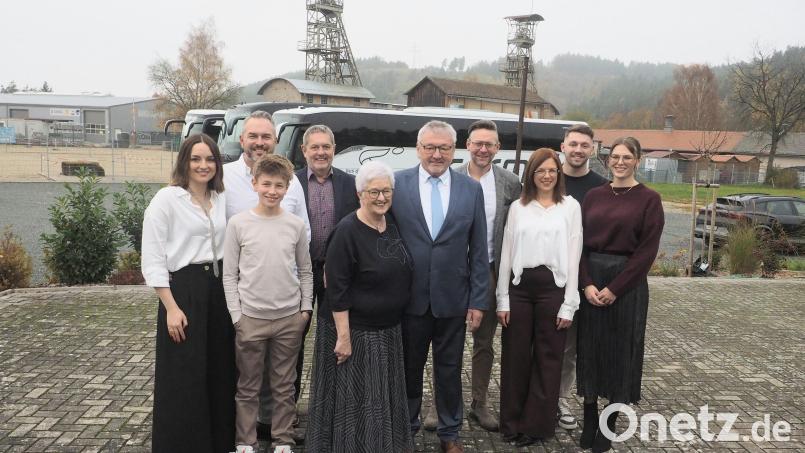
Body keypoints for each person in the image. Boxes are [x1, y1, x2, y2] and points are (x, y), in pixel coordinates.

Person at [391, 120, 489, 453]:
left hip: (453, 299)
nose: (436, 154)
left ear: (454, 150)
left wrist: (478, 301)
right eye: (430, 147)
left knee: (448, 371)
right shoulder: (397, 184)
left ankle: (450, 433)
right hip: (408, 299)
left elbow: (478, 250)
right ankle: (406, 428)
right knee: (408, 368)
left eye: (444, 148)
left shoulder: (470, 189)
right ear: (418, 149)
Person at [422, 120, 521, 433]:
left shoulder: (510, 182)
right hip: (449, 273)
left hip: (488, 270)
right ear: (467, 145)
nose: (483, 149)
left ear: (497, 148)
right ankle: (440, 405)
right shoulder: (449, 176)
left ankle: (479, 402)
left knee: (483, 342)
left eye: (489, 144)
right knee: (442, 342)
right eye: (478, 143)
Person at [307, 161, 413, 452]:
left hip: (387, 331)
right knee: (355, 403)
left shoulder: (389, 223)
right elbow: (336, 288)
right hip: (355, 332)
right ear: (360, 194)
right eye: (373, 192)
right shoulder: (346, 231)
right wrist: (343, 337)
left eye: (386, 191)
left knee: (380, 400)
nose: (381, 197)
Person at [141, 133, 235, 452]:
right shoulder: (166, 200)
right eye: (196, 158)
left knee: (220, 371)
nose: (203, 165)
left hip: (219, 290)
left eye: (209, 158)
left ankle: (218, 443)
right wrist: (171, 307)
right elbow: (152, 259)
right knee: (184, 375)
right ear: (184, 161)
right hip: (184, 292)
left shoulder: (220, 196)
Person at [222, 110, 310, 441]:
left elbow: (305, 261)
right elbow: (229, 272)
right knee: (247, 385)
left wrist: (304, 310)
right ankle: (246, 444)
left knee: (283, 385)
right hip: (250, 312)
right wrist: (237, 315)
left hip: (288, 313)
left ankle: (282, 442)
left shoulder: (293, 204)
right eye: (253, 136)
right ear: (242, 139)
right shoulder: (227, 181)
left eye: (266, 137)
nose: (272, 191)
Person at [576, 137, 664, 453]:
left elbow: (646, 252)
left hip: (627, 284)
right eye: (615, 156)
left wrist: (615, 289)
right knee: (590, 349)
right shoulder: (593, 196)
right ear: (608, 160)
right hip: (591, 279)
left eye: (627, 157)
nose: (621, 161)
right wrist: (586, 283)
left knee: (621, 354)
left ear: (637, 160)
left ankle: (608, 425)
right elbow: (579, 245)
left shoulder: (649, 200)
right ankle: (589, 417)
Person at [495, 148, 583, 446]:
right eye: (540, 171)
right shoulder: (519, 207)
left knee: (548, 359)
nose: (546, 176)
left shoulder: (570, 207)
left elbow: (574, 255)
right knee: (515, 358)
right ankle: (512, 424)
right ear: (530, 175)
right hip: (520, 290)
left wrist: (570, 304)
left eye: (552, 171)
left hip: (553, 291)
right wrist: (502, 299)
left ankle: (537, 426)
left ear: (558, 175)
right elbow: (506, 253)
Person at [294, 125, 360, 404]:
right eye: (315, 147)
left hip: (338, 277)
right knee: (293, 342)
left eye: (326, 146)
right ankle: (287, 407)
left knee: (338, 337)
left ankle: (337, 404)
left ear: (334, 149)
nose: (321, 152)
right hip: (299, 275)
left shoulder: (351, 184)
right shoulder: (291, 183)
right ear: (304, 150)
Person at [557, 124, 609, 430]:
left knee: (570, 348)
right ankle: (535, 397)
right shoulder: (546, 178)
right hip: (545, 276)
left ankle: (559, 400)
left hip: (584, 278)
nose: (578, 149)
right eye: (573, 143)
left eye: (584, 145)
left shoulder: (601, 188)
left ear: (592, 149)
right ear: (562, 146)